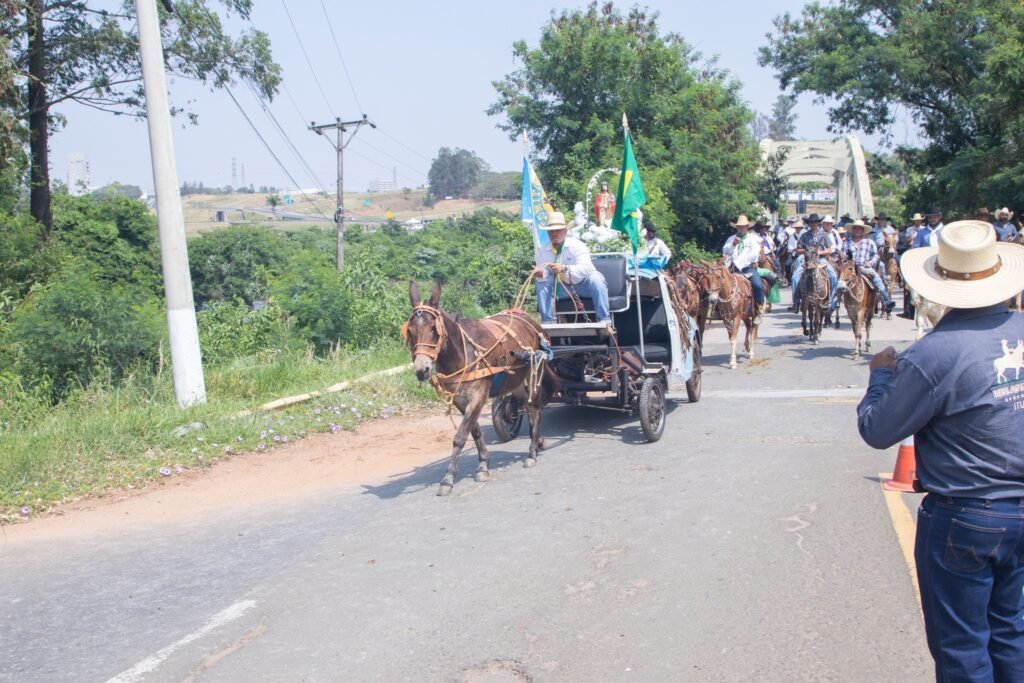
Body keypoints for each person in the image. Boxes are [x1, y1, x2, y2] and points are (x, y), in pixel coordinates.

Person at [856, 220, 1024, 682]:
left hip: (966, 516)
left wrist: (880, 377)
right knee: (1010, 631)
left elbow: (877, 429)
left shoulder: (934, 353)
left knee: (962, 647)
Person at [532, 211, 611, 326]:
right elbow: (546, 273)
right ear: (548, 233)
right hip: (561, 289)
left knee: (596, 278)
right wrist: (541, 274)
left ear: (565, 231)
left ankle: (604, 320)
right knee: (542, 282)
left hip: (583, 285)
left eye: (558, 230)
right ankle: (548, 323)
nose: (554, 234)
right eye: (551, 231)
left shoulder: (577, 245)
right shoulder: (543, 251)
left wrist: (564, 268)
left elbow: (587, 268)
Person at [841, 220, 896, 312]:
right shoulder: (846, 242)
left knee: (877, 279)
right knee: (839, 283)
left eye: (859, 229)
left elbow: (876, 255)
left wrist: (870, 262)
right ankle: (832, 305)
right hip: (850, 268)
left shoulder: (869, 242)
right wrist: (845, 261)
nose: (857, 230)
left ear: (862, 231)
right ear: (853, 230)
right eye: (855, 228)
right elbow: (842, 255)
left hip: (864, 266)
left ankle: (886, 300)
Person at [722, 215, 767, 324]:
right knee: (720, 283)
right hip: (732, 268)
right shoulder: (731, 239)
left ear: (747, 227)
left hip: (747, 268)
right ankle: (719, 308)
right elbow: (725, 252)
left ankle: (760, 308)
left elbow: (754, 253)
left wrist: (741, 261)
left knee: (757, 285)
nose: (741, 229)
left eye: (743, 227)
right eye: (739, 227)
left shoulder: (753, 239)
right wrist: (733, 245)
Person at [790, 213, 839, 312]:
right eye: (811, 222)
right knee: (794, 278)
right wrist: (807, 250)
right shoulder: (804, 235)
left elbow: (830, 250)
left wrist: (819, 252)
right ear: (808, 224)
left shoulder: (824, 235)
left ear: (818, 223)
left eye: (815, 222)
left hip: (821, 260)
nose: (813, 224)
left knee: (833, 276)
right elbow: (798, 250)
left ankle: (833, 301)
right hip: (807, 260)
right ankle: (796, 302)